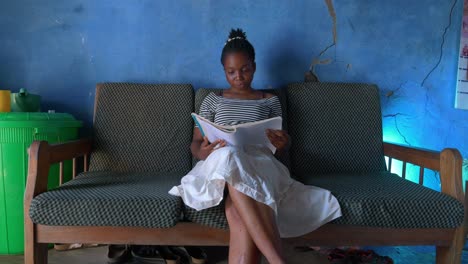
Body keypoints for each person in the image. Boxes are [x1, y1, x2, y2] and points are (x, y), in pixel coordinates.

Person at [169, 28, 341, 264]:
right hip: (220, 163)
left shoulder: (269, 100)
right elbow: (196, 144)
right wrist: (202, 151)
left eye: (245, 69)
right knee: (230, 154)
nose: (238, 76)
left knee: (235, 209)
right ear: (224, 71)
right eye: (231, 72)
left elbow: (280, 143)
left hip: (258, 163)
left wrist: (283, 142)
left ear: (254, 67)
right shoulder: (212, 100)